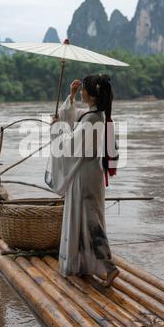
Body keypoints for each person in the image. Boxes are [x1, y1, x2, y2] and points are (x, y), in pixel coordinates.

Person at [44, 74, 120, 287]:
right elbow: (73, 116)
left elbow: (68, 146)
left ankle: (109, 267)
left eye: (84, 90)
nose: (82, 93)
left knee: (90, 220)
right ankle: (84, 264)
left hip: (85, 176)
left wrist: (56, 129)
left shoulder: (93, 119)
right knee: (85, 217)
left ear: (92, 95)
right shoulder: (94, 115)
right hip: (86, 173)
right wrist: (71, 95)